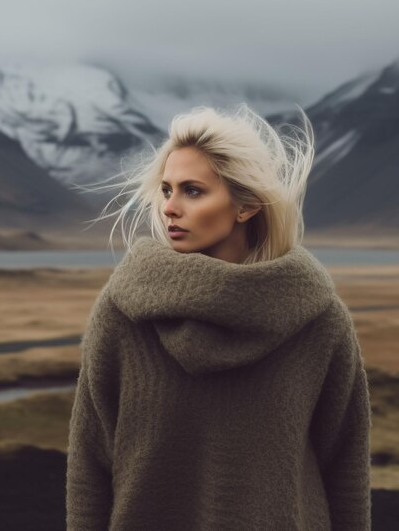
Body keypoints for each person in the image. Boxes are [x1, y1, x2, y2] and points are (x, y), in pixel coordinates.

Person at [66, 103, 372, 530]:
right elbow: (89, 465)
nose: (170, 207)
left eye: (193, 190)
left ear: (245, 206)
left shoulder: (319, 321)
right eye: (167, 189)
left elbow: (346, 469)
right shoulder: (122, 312)